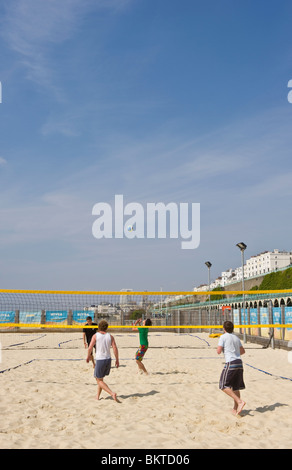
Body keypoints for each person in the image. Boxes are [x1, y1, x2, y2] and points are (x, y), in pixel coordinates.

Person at [217, 320, 246, 416]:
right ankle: (235, 409)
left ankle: (239, 402)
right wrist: (235, 352)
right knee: (235, 387)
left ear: (224, 329)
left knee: (223, 385)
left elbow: (218, 350)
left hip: (231, 362)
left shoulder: (223, 337)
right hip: (239, 363)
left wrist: (225, 351)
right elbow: (242, 351)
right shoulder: (236, 338)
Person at [86, 320, 120, 402]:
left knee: (98, 380)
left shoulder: (95, 336)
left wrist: (88, 356)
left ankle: (112, 393)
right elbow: (115, 348)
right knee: (100, 379)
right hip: (108, 359)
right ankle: (97, 396)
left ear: (98, 327)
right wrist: (117, 360)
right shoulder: (110, 336)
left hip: (100, 359)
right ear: (107, 327)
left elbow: (90, 347)